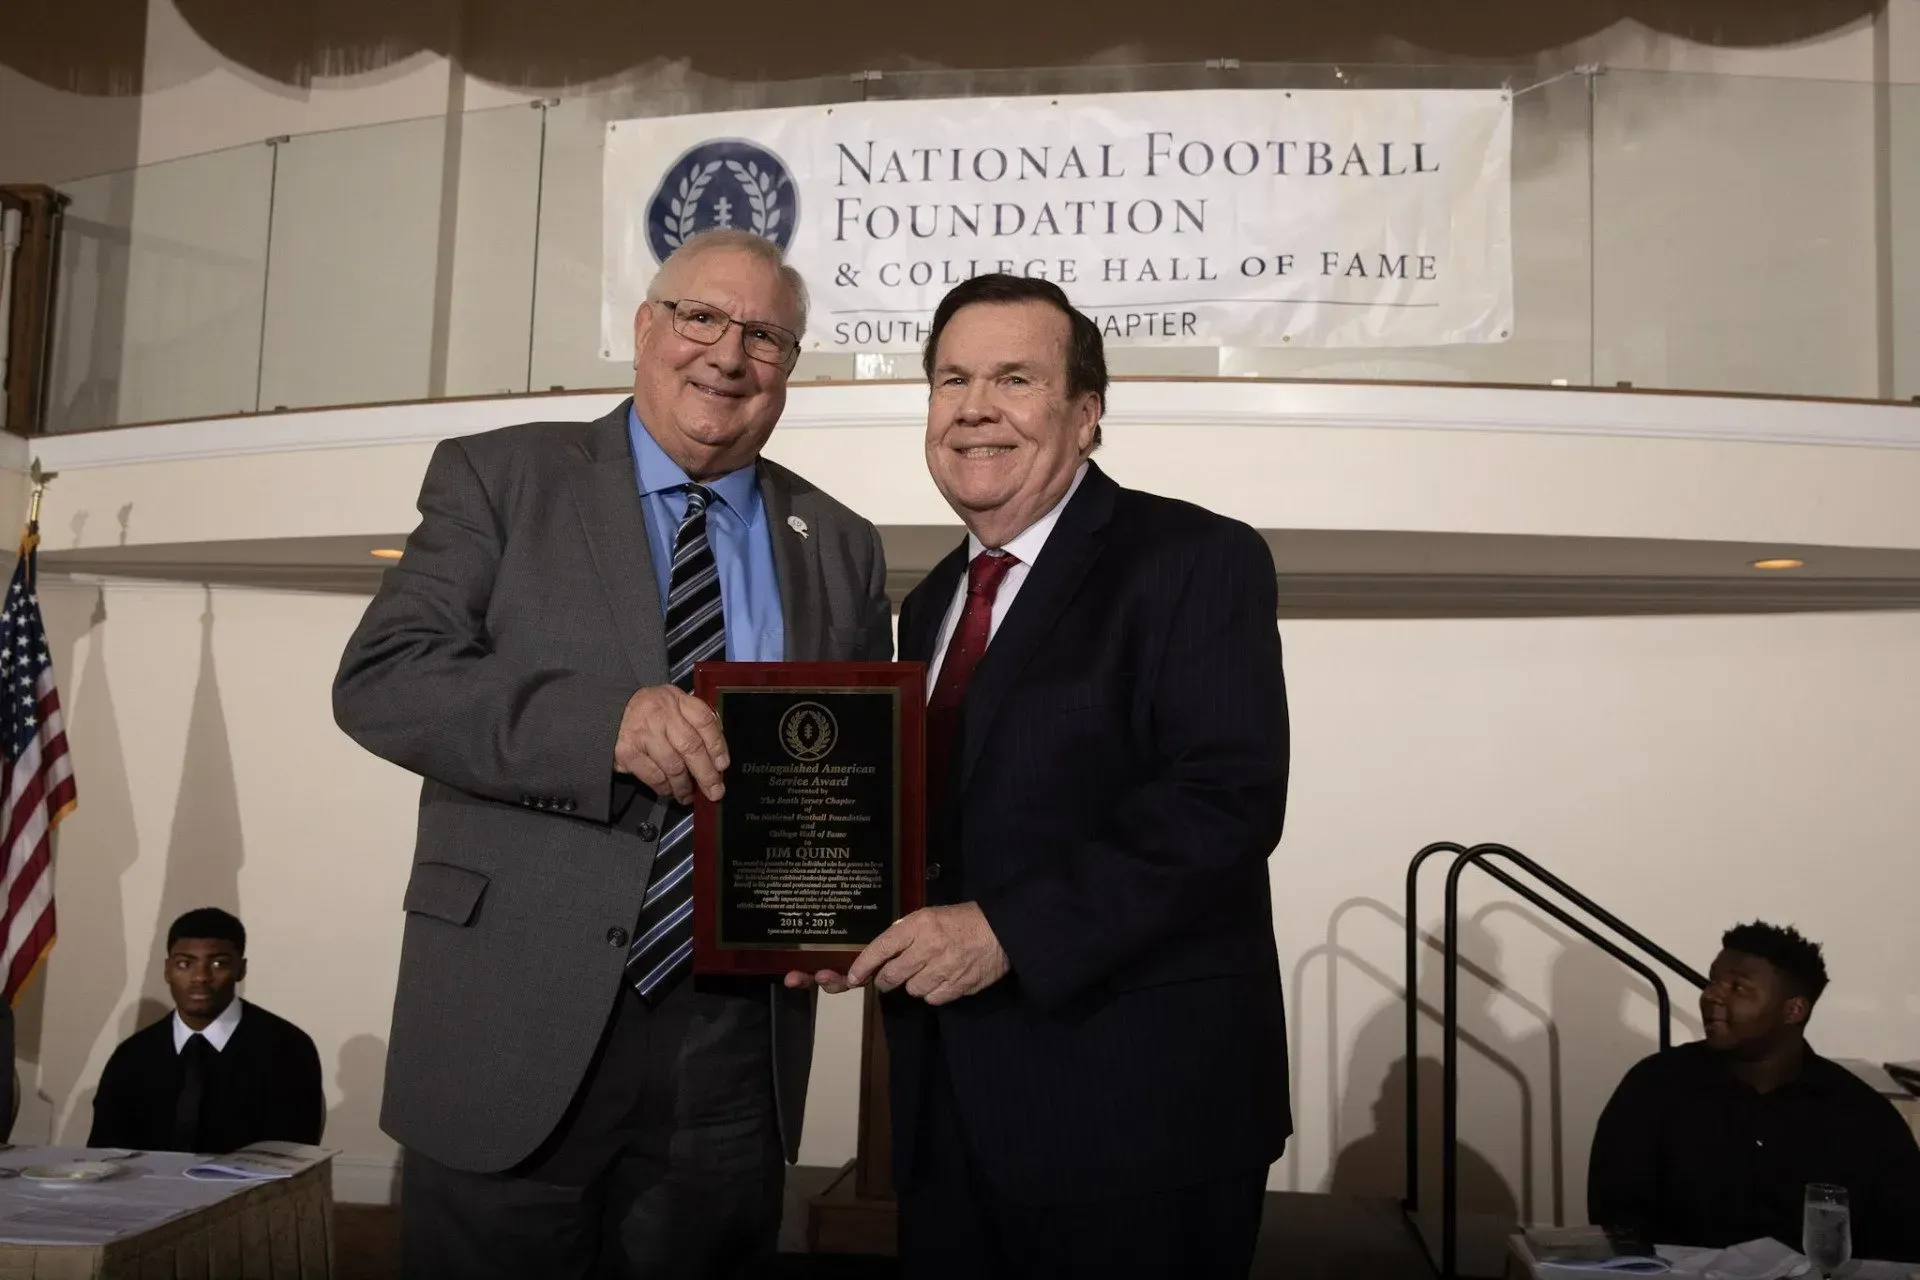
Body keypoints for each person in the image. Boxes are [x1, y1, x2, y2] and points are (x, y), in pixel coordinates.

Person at [334, 229, 892, 1279]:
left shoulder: (841, 541)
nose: (728, 354)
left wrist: (838, 903)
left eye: (765, 335)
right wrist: (603, 725)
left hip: (730, 1052)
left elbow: (851, 776)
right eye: (702, 318)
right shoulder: (502, 477)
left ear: (790, 370)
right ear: (646, 328)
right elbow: (385, 678)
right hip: (513, 1024)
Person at [792, 274, 1291, 1278]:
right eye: (951, 379)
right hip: (948, 1115)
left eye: (1015, 378)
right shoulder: (933, 601)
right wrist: (857, 920)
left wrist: (1009, 929)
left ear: (1087, 413)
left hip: (1134, 1118)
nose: (974, 407)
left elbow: (1223, 802)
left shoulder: (1193, 557)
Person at [1588, 921, 1920, 1261]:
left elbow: (1900, 1243)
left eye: (1738, 987)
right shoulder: (1652, 1088)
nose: (1712, 995)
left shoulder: (1863, 1118)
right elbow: (1615, 1221)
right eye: (1713, 981)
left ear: (1793, 1010)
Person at [88, 908, 323, 1153]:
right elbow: (104, 1155)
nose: (200, 976)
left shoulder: (288, 1049)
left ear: (241, 970)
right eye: (184, 964)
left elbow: (290, 1157)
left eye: (218, 963)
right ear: (167, 970)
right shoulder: (132, 1056)